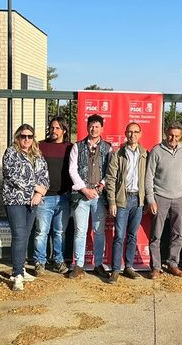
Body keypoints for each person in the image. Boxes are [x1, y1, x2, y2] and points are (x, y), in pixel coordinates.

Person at [2, 124, 49, 291]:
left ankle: (20, 269)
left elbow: (44, 176)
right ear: (18, 137)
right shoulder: (11, 153)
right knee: (19, 235)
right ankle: (17, 274)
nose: (27, 139)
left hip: (33, 202)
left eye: (30, 136)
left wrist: (40, 193)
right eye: (23, 136)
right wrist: (35, 188)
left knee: (26, 235)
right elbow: (12, 175)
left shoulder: (37, 155)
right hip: (15, 201)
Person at [145, 121, 182, 279]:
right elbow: (149, 176)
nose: (173, 138)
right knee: (156, 235)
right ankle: (156, 267)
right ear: (165, 133)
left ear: (181, 136)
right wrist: (151, 198)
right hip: (160, 197)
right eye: (171, 135)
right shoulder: (157, 150)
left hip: (180, 198)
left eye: (177, 136)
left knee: (177, 234)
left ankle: (173, 264)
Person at [68, 114, 111, 279]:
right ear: (87, 127)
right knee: (80, 231)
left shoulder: (108, 148)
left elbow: (110, 170)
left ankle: (98, 264)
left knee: (99, 231)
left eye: (97, 126)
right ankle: (78, 265)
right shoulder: (77, 147)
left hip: (99, 197)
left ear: (102, 128)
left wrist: (102, 185)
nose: (94, 129)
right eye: (91, 126)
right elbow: (72, 170)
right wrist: (84, 189)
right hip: (81, 196)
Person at [104, 122, 148, 282]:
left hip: (138, 200)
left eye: (136, 132)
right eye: (130, 132)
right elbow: (110, 178)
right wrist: (112, 201)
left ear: (140, 134)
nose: (132, 135)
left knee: (132, 236)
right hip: (122, 200)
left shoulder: (145, 154)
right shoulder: (118, 154)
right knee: (119, 236)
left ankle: (128, 266)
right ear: (125, 133)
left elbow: (148, 179)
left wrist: (146, 200)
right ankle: (115, 269)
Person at [32, 116, 73, 275]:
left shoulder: (70, 147)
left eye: (57, 128)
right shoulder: (40, 146)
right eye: (52, 127)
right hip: (44, 197)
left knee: (59, 232)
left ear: (64, 130)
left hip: (64, 197)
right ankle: (39, 262)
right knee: (41, 231)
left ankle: (58, 261)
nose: (54, 131)